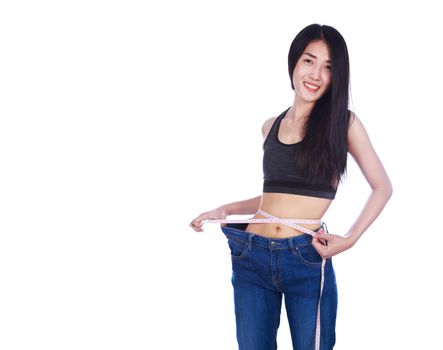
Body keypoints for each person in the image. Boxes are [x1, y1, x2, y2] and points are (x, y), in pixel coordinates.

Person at [189, 23, 392, 350]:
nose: (315, 74)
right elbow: (275, 198)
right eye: (309, 61)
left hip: (306, 258)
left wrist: (349, 240)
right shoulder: (270, 126)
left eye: (328, 67)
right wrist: (225, 209)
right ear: (294, 63)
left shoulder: (344, 125)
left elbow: (382, 186)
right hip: (251, 254)